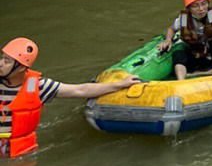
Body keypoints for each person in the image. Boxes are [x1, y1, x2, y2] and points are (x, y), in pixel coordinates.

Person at [1, 38, 140, 157]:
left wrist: (119, 85)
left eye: (6, 61)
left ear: (20, 68)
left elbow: (79, 90)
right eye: (1, 57)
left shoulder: (39, 86)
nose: (0, 63)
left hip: (21, 154)